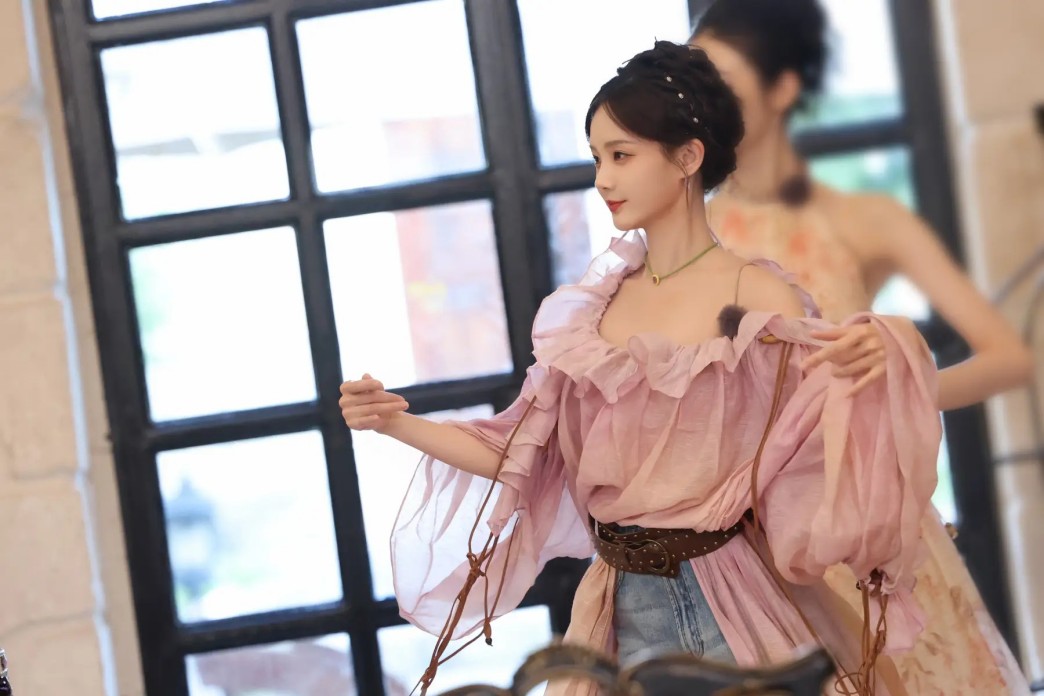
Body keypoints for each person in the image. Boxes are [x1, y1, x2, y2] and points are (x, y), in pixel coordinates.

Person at [340, 41, 942, 696]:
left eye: (622, 156)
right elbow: (521, 452)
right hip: (615, 610)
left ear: (688, 157)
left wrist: (888, 349)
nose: (603, 179)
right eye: (597, 158)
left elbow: (830, 433)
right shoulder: (591, 312)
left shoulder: (754, 296)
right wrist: (395, 422)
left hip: (735, 607)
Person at [689, 1, 1034, 693]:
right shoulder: (687, 236)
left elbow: (1011, 357)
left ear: (783, 88)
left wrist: (898, 381)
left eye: (719, 81)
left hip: (873, 525)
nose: (699, 101)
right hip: (754, 547)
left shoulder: (862, 218)